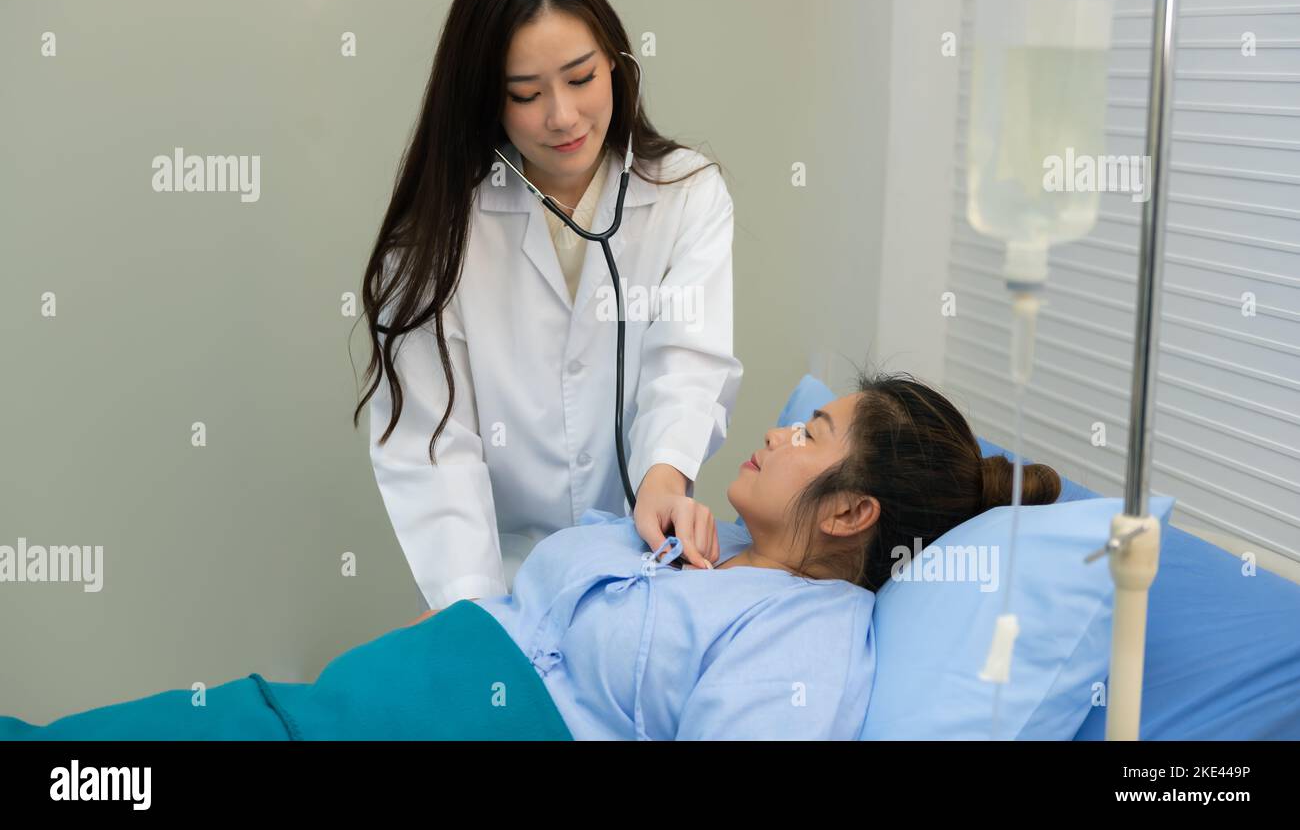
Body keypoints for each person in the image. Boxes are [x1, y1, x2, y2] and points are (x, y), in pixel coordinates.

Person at [2, 369, 1060, 741]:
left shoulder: (810, 637)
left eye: (813, 432)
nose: (781, 431)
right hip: (341, 706)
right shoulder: (703, 547)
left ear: (848, 514)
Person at [354, 0, 743, 612]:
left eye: (582, 77)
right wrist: (480, 618)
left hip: (634, 569)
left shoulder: (686, 194)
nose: (562, 116)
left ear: (619, 66)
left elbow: (687, 363)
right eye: (527, 94)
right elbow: (434, 449)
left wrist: (663, 475)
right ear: (489, 103)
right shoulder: (436, 237)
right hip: (497, 585)